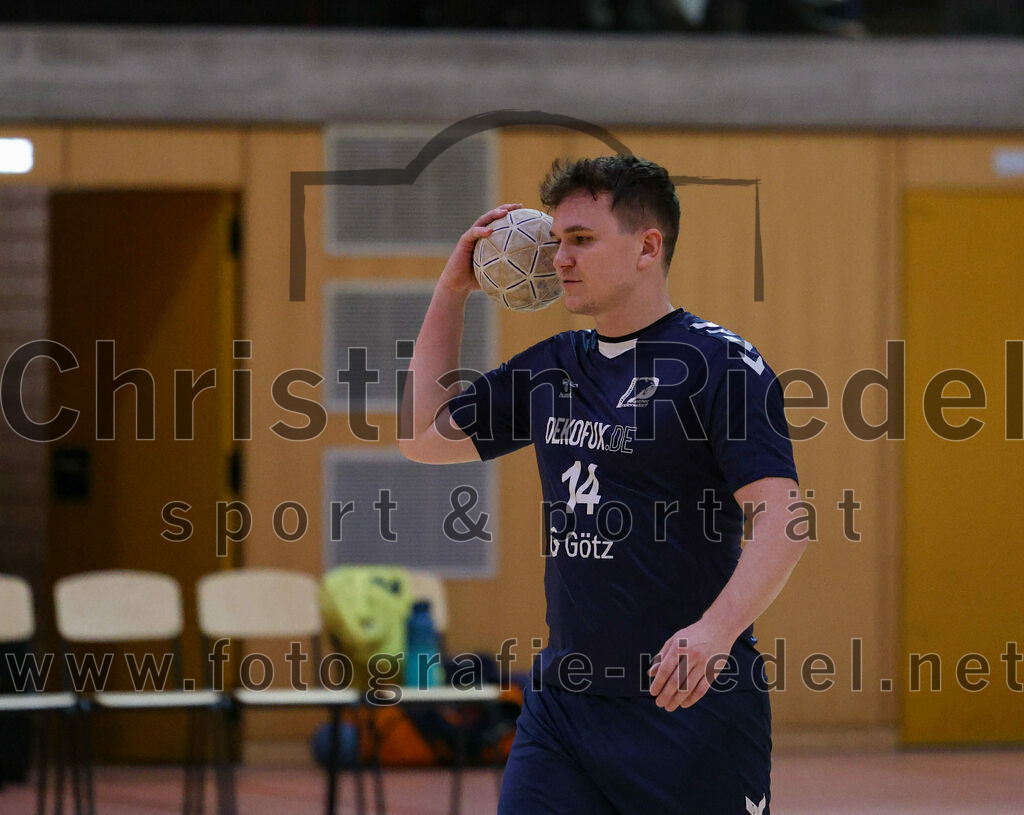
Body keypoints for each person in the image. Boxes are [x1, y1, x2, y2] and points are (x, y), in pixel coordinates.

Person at [399, 155, 805, 814]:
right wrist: (451, 291)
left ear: (648, 247)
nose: (560, 257)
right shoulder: (553, 367)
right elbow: (421, 435)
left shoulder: (717, 362)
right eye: (557, 240)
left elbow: (784, 518)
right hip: (564, 708)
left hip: (689, 706)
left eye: (581, 240)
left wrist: (714, 631)